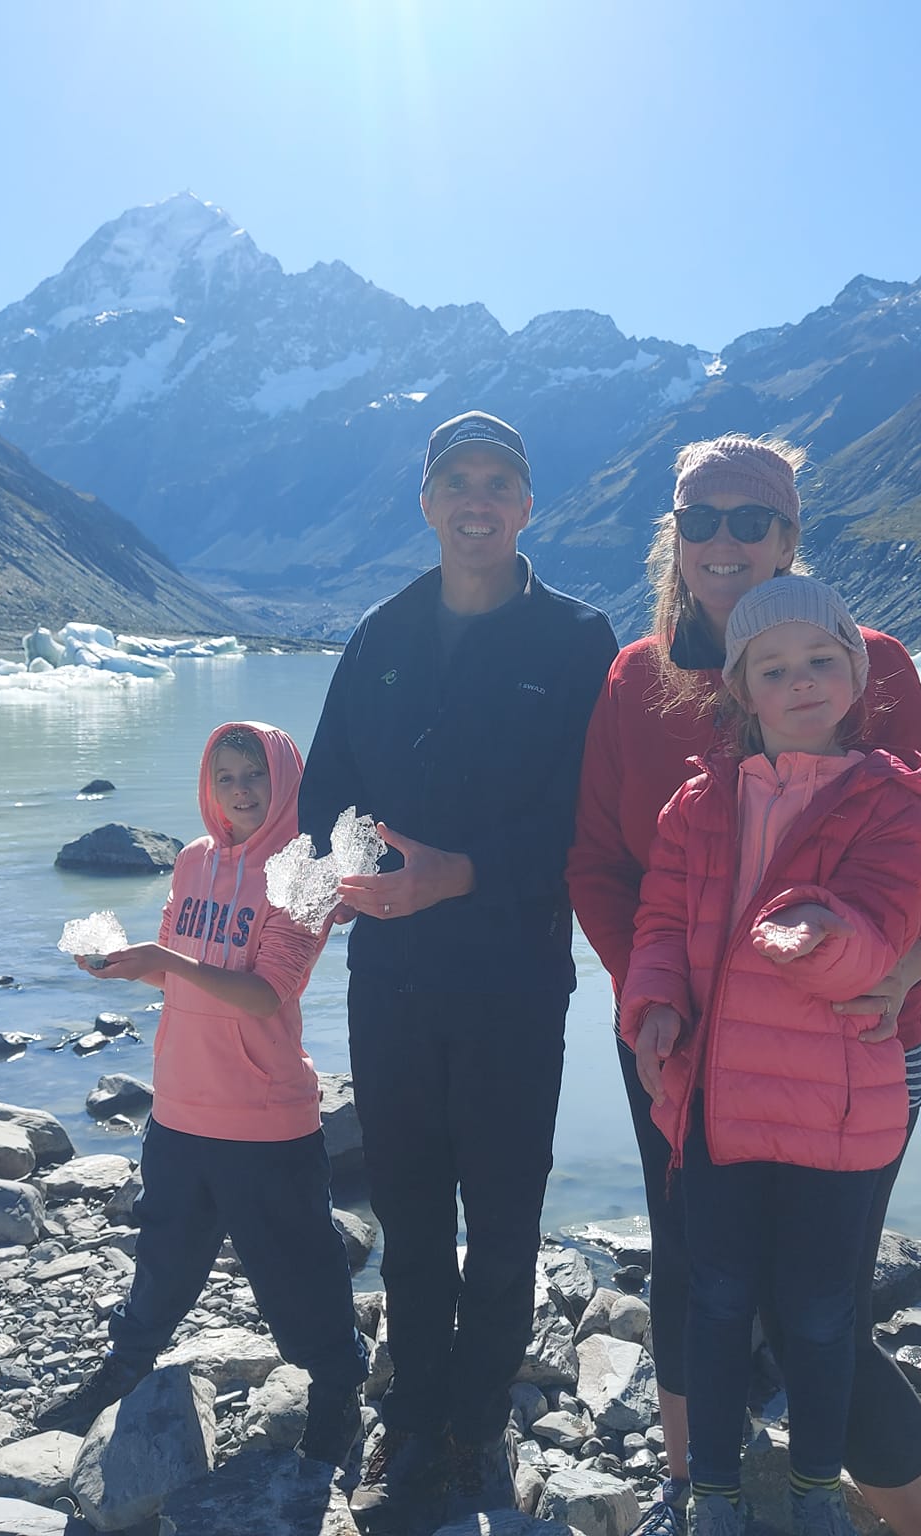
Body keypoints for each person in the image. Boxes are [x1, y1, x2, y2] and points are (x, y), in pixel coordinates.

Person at [567, 436, 921, 1536]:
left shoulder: (865, 663)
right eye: (700, 519)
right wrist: (648, 1000)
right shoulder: (634, 678)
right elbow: (601, 866)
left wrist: (906, 970)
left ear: (789, 536)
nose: (724, 541)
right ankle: (694, 1491)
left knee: (817, 1305)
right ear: (674, 537)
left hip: (851, 1042)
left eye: (751, 520)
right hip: (681, 1049)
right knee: (693, 1274)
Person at [298, 410, 619, 1534]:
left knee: (505, 1207)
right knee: (408, 1207)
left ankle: (474, 1425)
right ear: (427, 503)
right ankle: (413, 1414)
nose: (476, 502)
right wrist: (345, 875)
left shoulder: (577, 640)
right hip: (389, 975)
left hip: (513, 979)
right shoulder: (379, 633)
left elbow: (592, 818)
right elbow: (322, 795)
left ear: (526, 506)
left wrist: (464, 872)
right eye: (457, 483)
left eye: (497, 483)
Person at [622, 575, 921, 1536]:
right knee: (718, 1298)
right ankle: (715, 1490)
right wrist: (654, 1005)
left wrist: (822, 940)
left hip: (835, 1112)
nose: (799, 681)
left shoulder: (894, 801)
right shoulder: (696, 804)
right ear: (740, 689)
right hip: (718, 1106)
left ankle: (813, 1491)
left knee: (819, 1312)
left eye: (819, 661)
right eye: (772, 668)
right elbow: (660, 920)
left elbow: (889, 925)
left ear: (856, 675)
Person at [35, 721, 368, 1468]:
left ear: (285, 779)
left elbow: (268, 992)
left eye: (256, 775)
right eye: (226, 777)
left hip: (265, 1117)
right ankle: (124, 1369)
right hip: (181, 1105)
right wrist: (128, 963)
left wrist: (167, 958)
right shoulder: (192, 860)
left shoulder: (306, 872)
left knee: (297, 1271)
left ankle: (338, 1392)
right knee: (164, 1256)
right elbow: (175, 966)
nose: (241, 791)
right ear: (208, 786)